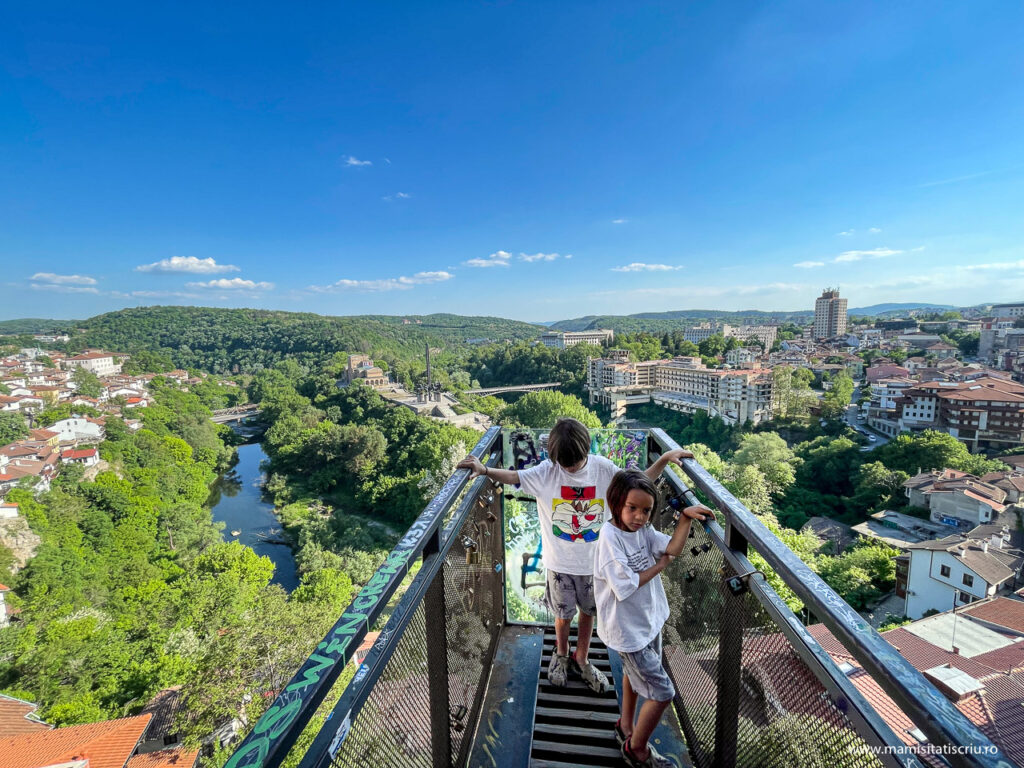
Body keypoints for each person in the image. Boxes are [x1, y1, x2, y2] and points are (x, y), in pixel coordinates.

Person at [457, 418, 692, 693]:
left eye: (574, 463)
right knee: (562, 614)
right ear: (553, 456)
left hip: (595, 565)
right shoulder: (547, 472)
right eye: (564, 464)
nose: (569, 469)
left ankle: (582, 658)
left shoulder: (602, 469)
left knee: (589, 613)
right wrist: (483, 469)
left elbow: (638, 484)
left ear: (585, 450)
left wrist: (664, 458)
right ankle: (561, 654)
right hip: (559, 565)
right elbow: (515, 477)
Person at [594, 469, 709, 768]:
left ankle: (625, 726)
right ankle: (637, 750)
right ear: (616, 502)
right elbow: (625, 585)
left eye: (646, 510)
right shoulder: (610, 538)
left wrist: (684, 518)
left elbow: (671, 549)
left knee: (636, 678)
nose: (640, 517)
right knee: (662, 692)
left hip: (647, 621)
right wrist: (661, 566)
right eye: (632, 508)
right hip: (628, 631)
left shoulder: (642, 532)